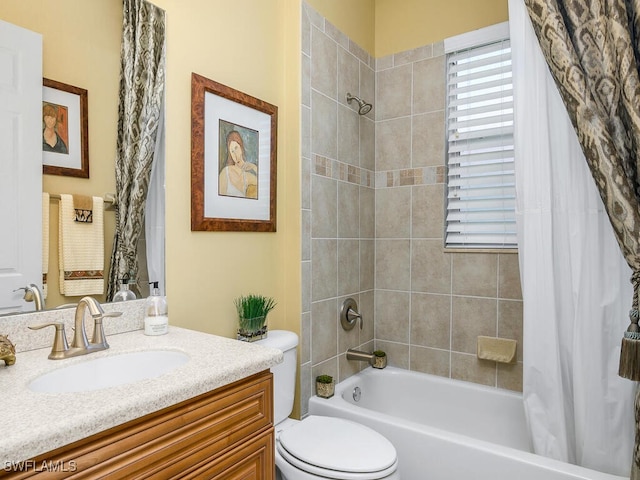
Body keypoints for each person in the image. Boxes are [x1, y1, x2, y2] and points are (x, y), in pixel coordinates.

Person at [218, 130, 258, 199]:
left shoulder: (247, 176)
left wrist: (254, 167)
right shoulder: (226, 172)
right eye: (232, 151)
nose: (235, 155)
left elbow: (264, 185)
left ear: (241, 147)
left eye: (236, 148)